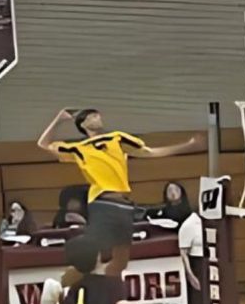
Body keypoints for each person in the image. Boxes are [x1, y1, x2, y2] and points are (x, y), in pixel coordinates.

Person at [36, 108, 200, 286]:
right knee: (92, 256)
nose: (97, 117)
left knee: (121, 261)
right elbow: (43, 144)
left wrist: (187, 145)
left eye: (98, 115)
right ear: (82, 125)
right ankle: (61, 287)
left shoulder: (117, 137)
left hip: (123, 204)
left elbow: (150, 152)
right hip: (101, 202)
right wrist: (59, 120)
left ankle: (106, 294)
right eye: (92, 116)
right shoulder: (77, 148)